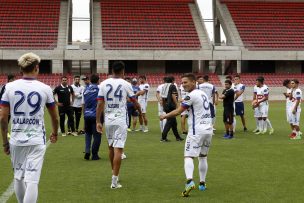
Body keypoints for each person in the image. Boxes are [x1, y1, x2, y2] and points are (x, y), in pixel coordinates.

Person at [0, 53, 59, 203]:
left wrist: (5, 142)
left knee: (18, 177)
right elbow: (55, 117)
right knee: (32, 181)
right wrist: (54, 133)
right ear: (36, 68)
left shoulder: (9, 87)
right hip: (36, 139)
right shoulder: (45, 88)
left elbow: (3, 118)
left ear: (21, 68)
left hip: (16, 139)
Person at [160, 73, 213, 197]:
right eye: (182, 83)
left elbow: (179, 111)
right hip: (208, 130)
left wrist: (165, 116)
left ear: (194, 82)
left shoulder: (192, 95)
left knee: (188, 156)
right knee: (203, 156)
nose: (183, 85)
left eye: (185, 82)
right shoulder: (202, 93)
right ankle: (202, 183)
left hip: (196, 131)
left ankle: (189, 181)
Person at [96, 61, 141, 189]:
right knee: (119, 149)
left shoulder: (103, 84)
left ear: (112, 70)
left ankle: (114, 173)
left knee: (111, 147)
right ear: (123, 71)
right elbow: (133, 101)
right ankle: (114, 182)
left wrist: (98, 121)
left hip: (108, 119)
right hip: (120, 119)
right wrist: (140, 110)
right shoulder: (126, 84)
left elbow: (99, 104)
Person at [83, 74, 102, 160]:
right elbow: (101, 102)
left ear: (90, 81)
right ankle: (95, 155)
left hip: (87, 114)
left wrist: (84, 115)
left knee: (88, 134)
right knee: (97, 135)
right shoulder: (99, 89)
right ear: (98, 80)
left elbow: (83, 104)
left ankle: (87, 150)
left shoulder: (86, 90)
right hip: (96, 115)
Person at [160, 76, 183, 142]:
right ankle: (163, 137)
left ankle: (177, 137)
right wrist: (177, 104)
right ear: (172, 80)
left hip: (166, 105)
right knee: (170, 121)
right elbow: (173, 95)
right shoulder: (172, 86)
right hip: (171, 105)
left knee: (174, 122)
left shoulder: (164, 86)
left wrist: (164, 106)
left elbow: (163, 97)